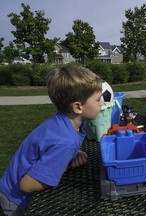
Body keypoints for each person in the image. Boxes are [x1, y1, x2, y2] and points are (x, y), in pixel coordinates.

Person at [0, 65, 103, 215]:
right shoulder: (65, 142)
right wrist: (64, 165)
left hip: (6, 188)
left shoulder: (62, 122)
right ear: (78, 107)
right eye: (98, 99)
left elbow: (49, 147)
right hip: (16, 201)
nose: (102, 103)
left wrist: (71, 154)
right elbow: (27, 185)